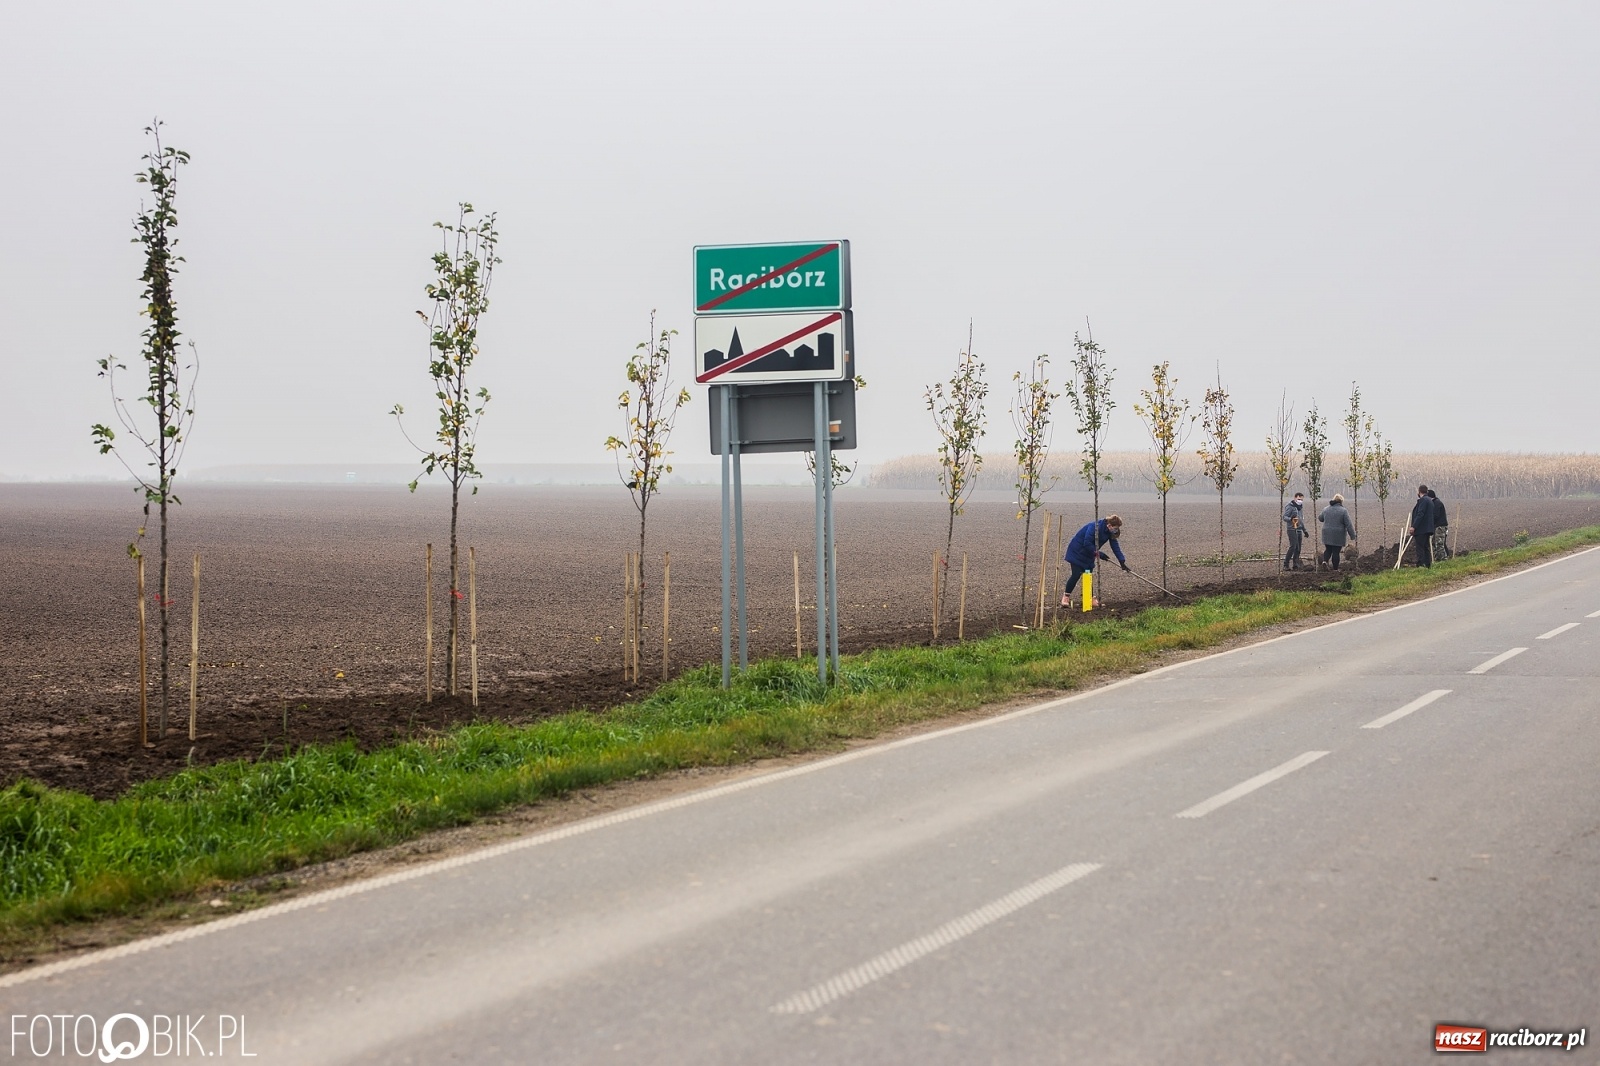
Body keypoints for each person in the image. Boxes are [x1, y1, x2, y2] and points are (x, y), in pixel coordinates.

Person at [1061, 514, 1128, 607]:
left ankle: (1088, 599)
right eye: (1115, 528)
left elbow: (1115, 546)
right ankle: (1066, 597)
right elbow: (1087, 542)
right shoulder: (1095, 527)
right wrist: (1099, 554)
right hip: (1077, 551)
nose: (1116, 530)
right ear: (1109, 525)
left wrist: (1122, 561)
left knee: (1087, 574)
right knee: (1076, 574)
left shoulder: (1109, 532)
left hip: (1090, 554)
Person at [1319, 494, 1356, 570]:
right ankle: (1335, 569)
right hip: (1338, 534)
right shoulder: (1343, 511)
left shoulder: (1326, 509)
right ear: (1341, 501)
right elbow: (1348, 524)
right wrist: (1352, 535)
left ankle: (1325, 561)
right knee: (1336, 551)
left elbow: (1320, 518)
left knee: (1328, 549)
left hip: (1326, 533)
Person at [1408, 484, 1438, 567]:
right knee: (1425, 547)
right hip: (1428, 528)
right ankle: (1427, 565)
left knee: (1420, 547)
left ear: (1419, 491)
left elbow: (1420, 514)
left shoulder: (1423, 500)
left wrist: (1414, 526)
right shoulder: (1430, 501)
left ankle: (1421, 564)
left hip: (1422, 529)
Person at [1282, 492, 1306, 570]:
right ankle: (1286, 564)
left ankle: (1295, 564)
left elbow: (1300, 520)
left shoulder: (1300, 507)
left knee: (1298, 548)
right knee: (1293, 546)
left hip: (1299, 529)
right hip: (1291, 529)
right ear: (1295, 498)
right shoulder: (1290, 506)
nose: (1300, 501)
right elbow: (1285, 517)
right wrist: (1291, 519)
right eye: (1299, 499)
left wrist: (1304, 530)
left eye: (1301, 499)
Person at [1428, 488, 1451, 560]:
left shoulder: (1437, 503)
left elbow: (1435, 515)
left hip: (1440, 526)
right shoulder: (1435, 503)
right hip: (1437, 526)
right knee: (1436, 543)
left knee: (1439, 543)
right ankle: (1439, 558)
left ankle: (1444, 559)